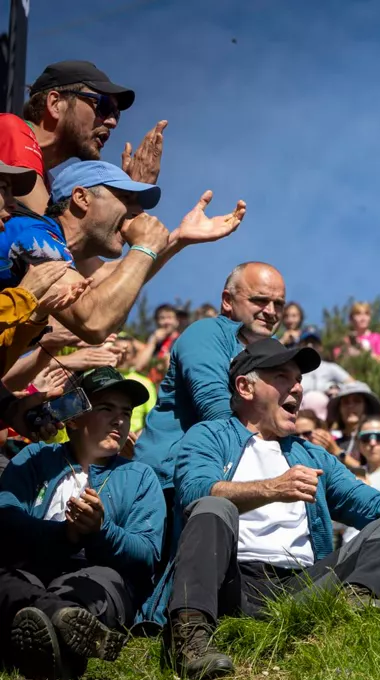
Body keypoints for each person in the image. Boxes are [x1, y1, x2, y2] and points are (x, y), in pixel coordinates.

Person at [156, 338, 380, 680]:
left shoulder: (311, 454)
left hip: (301, 587)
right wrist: (272, 488)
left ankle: (352, 618)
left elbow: (364, 500)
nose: (297, 387)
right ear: (245, 386)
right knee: (212, 507)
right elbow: (193, 491)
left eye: (299, 380)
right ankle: (191, 638)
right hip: (230, 584)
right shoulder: (209, 435)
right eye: (282, 376)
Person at [0, 366, 163, 680]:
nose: (120, 419)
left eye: (126, 412)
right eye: (106, 409)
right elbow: (5, 516)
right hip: (29, 569)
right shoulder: (35, 457)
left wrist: (101, 531)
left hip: (98, 575)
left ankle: (49, 633)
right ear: (73, 417)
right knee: (9, 580)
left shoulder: (140, 475)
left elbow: (147, 553)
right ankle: (58, 637)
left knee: (98, 585)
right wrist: (64, 534)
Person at [0, 158, 245, 345]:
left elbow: (105, 290)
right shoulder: (31, 233)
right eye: (126, 198)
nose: (138, 211)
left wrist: (177, 240)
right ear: (81, 197)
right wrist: (145, 247)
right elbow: (94, 318)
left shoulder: (50, 244)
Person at [133, 262, 285, 492]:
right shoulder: (205, 332)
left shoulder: (279, 351)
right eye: (260, 300)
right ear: (227, 300)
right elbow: (216, 410)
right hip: (169, 483)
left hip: (236, 479)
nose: (271, 311)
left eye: (279, 304)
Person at [0, 59, 159, 216]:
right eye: (104, 107)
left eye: (116, 114)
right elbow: (50, 235)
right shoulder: (10, 128)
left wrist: (128, 196)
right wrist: (128, 199)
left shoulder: (48, 184)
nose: (112, 122)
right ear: (56, 104)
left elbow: (67, 237)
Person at [326, 381, 380, 468]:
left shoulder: (374, 440)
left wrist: (339, 453)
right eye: (345, 402)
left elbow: (369, 472)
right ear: (339, 409)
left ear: (366, 407)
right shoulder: (334, 443)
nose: (350, 406)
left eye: (357, 401)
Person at [298, 326, 353, 395]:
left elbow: (353, 384)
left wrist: (338, 388)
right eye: (306, 342)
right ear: (299, 345)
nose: (310, 345)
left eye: (314, 342)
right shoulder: (294, 368)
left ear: (321, 347)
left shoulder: (330, 367)